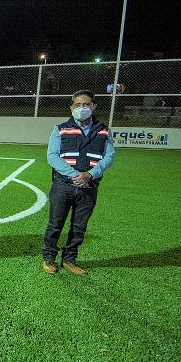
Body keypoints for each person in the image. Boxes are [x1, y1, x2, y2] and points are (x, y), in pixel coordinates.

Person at [42, 90, 115, 275]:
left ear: (94, 106)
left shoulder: (103, 130)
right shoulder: (60, 128)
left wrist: (90, 175)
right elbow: (52, 156)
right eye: (78, 105)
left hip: (89, 186)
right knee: (55, 224)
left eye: (87, 104)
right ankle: (49, 258)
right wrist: (76, 175)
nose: (82, 108)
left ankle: (69, 259)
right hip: (63, 185)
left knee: (79, 227)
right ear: (71, 107)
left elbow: (109, 156)